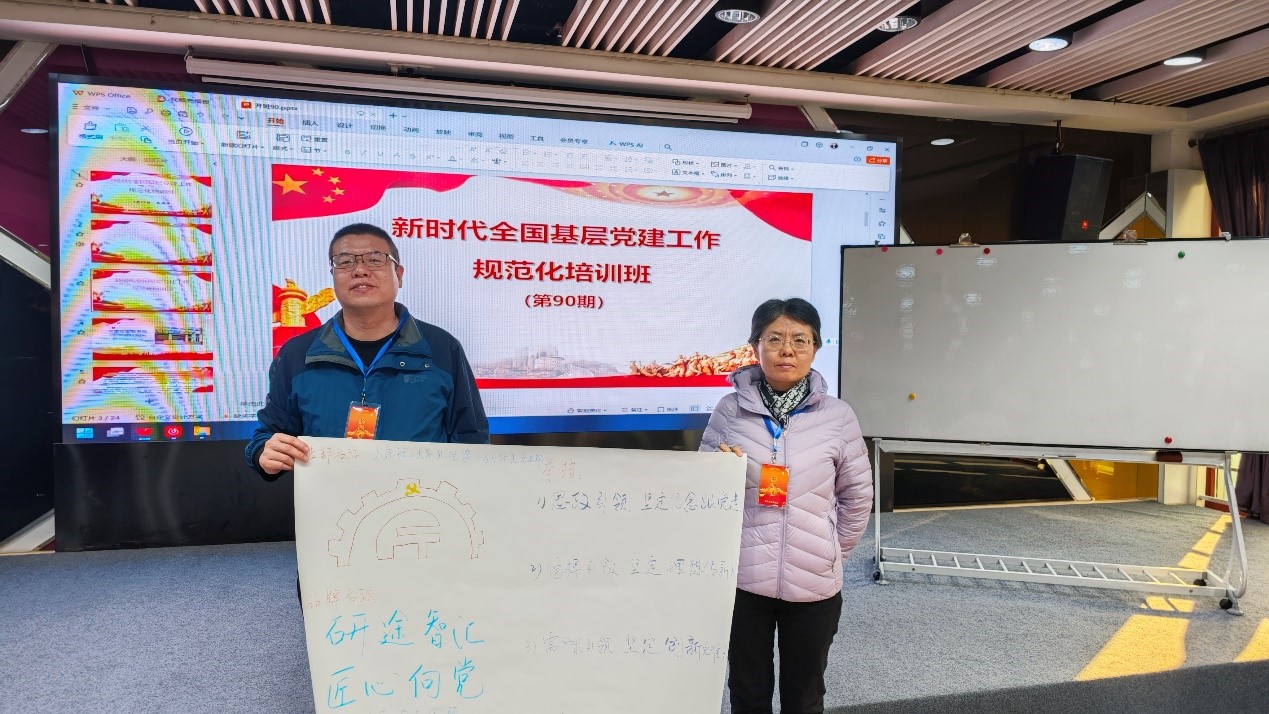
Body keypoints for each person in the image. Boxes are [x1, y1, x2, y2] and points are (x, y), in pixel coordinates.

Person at [699, 297, 873, 714]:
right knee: (747, 692)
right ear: (755, 346)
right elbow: (702, 491)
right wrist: (717, 469)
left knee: (805, 696)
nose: (787, 351)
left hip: (814, 581)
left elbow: (857, 496)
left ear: (815, 347)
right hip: (743, 578)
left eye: (800, 340)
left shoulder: (838, 416)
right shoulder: (729, 410)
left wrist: (832, 552)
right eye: (774, 339)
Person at [246, 222, 488, 479]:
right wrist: (264, 452)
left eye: (375, 259)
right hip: (331, 502)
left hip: (419, 500)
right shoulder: (297, 354)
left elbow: (471, 439)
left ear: (399, 275)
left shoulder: (441, 348)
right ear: (333, 276)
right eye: (345, 262)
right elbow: (269, 435)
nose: (360, 270)